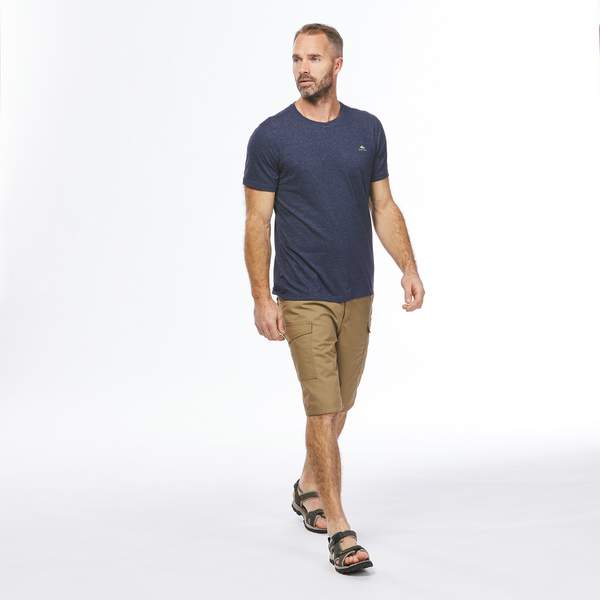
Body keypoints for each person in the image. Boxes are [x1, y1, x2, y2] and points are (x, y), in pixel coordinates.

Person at [242, 23, 425, 574]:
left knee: (342, 403)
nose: (303, 68)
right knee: (322, 408)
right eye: (297, 59)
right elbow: (257, 222)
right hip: (302, 295)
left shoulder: (367, 129)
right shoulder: (272, 136)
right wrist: (262, 298)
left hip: (358, 291)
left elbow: (383, 206)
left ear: (337, 65)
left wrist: (409, 267)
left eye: (314, 59)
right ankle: (340, 528)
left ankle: (306, 485)